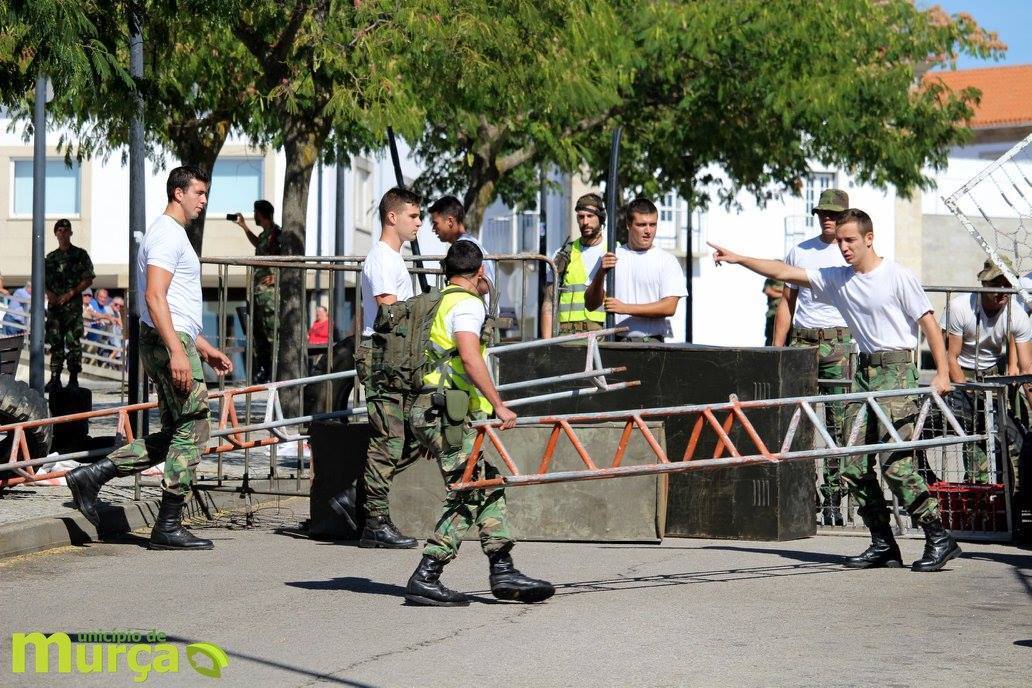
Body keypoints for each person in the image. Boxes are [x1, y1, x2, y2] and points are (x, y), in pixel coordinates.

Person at [709, 208, 962, 572]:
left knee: (895, 463)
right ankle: (883, 543)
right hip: (864, 372)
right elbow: (784, 272)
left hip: (896, 373)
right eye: (840, 241)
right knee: (851, 463)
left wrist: (941, 373)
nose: (843, 247)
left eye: (850, 240)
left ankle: (938, 536)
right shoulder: (838, 279)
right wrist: (738, 258)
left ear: (869, 239)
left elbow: (929, 323)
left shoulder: (897, 275)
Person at [65, 166, 233, 550]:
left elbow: (173, 305)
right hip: (167, 341)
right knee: (194, 427)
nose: (204, 200)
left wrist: (203, 348)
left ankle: (92, 476)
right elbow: (155, 297)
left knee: (176, 433)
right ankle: (168, 525)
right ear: (178, 193)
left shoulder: (171, 234)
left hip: (172, 338)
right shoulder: (166, 235)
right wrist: (177, 351)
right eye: (198, 193)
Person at [404, 241, 554, 606]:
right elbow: (470, 358)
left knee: (487, 482)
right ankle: (427, 573)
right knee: (470, 489)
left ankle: (503, 569)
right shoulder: (467, 304)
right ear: (480, 271)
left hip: (432, 409)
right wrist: (499, 405)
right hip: (446, 412)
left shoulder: (434, 303)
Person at [773, 188, 852, 526]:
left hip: (838, 342)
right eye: (823, 213)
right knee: (799, 420)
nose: (827, 219)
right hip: (803, 342)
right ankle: (805, 493)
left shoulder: (850, 252)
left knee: (837, 423)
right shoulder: (801, 251)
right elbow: (787, 302)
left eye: (834, 214)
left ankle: (834, 496)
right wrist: (777, 350)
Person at [352, 187, 423, 548]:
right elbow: (389, 313)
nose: (419, 223)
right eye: (413, 216)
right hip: (383, 355)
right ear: (392, 217)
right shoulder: (381, 258)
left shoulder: (394, 258)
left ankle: (358, 498)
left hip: (398, 356)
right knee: (389, 440)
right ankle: (374, 521)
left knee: (415, 434)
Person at [943, 258, 1032, 487]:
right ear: (984, 284)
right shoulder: (961, 307)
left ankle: (1013, 492)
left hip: (992, 373)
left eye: (1007, 284)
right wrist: (967, 391)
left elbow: (1027, 369)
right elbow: (950, 357)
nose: (1002, 291)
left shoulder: (1017, 314)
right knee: (974, 432)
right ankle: (979, 486)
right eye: (996, 284)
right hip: (962, 371)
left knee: (1012, 433)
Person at [585, 197, 688, 342]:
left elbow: (669, 307)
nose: (648, 231)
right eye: (641, 225)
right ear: (628, 224)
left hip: (652, 343)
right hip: (616, 342)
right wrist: (600, 273)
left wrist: (625, 308)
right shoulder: (611, 256)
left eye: (653, 225)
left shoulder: (667, 260)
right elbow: (590, 304)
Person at [540, 193, 607, 337]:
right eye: (581, 217)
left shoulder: (613, 252)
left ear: (601, 218)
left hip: (600, 336)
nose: (585, 221)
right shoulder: (564, 254)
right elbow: (548, 303)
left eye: (590, 216)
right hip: (565, 336)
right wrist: (546, 344)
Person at [44, 219, 95, 391]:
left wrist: (71, 293)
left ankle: (73, 378)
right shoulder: (50, 258)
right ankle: (55, 377)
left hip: (72, 308)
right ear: (55, 233)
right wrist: (49, 294)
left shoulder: (80, 255)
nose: (63, 233)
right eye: (59, 230)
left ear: (71, 233)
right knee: (55, 342)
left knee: (73, 342)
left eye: (66, 230)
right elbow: (42, 280)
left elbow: (88, 279)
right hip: (55, 309)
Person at [235, 200, 281, 382]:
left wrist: (278, 276)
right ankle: (265, 370)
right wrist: (244, 227)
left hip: (269, 294)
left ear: (261, 214)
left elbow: (286, 257)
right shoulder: (264, 235)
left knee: (272, 333)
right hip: (259, 293)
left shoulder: (277, 234)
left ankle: (275, 372)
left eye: (255, 212)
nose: (254, 215)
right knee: (259, 334)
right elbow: (259, 244)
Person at [428, 195, 496, 296]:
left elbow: (484, 287)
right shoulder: (468, 244)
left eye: (435, 223)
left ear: (450, 222)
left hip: (472, 305)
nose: (433, 229)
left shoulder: (464, 248)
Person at [762, 278, 784, 346]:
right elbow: (768, 291)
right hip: (772, 313)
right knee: (770, 337)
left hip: (785, 315)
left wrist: (775, 288)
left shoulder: (788, 279)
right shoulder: (770, 279)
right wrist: (783, 293)